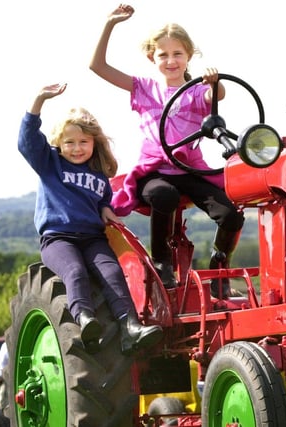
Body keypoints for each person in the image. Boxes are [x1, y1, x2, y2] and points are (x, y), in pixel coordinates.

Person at [90, 4, 244, 297]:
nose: (171, 60)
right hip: (155, 170)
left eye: (177, 54)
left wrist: (215, 81)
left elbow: (216, 95)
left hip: (188, 169)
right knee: (164, 195)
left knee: (231, 214)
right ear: (152, 57)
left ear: (189, 56)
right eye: (163, 54)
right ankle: (161, 261)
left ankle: (219, 263)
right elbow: (97, 67)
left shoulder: (197, 90)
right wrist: (109, 25)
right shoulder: (143, 88)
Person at [17, 83, 163, 355]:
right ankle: (84, 318)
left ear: (94, 143)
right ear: (58, 145)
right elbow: (26, 140)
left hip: (93, 238)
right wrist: (37, 101)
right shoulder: (50, 164)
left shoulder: (97, 175)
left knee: (113, 274)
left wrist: (106, 208)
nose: (76, 148)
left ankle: (130, 327)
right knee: (74, 271)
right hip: (58, 239)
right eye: (69, 143)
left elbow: (102, 200)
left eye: (83, 142)